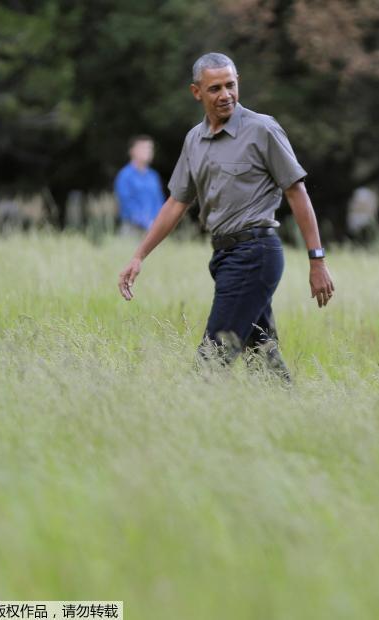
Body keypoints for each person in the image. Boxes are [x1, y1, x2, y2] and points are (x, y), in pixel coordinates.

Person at [117, 52, 335, 381]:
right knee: (262, 356)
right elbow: (177, 203)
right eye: (215, 88)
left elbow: (296, 192)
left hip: (255, 254)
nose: (225, 95)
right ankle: (288, 413)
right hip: (223, 256)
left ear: (238, 84)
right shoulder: (194, 139)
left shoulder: (262, 129)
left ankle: (185, 418)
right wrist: (139, 255)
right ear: (197, 92)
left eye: (230, 86)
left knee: (212, 359)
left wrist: (316, 260)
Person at [114, 135, 165, 234]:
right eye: (144, 148)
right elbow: (126, 202)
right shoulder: (125, 175)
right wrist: (145, 222)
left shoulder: (153, 176)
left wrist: (158, 222)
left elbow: (159, 201)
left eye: (150, 148)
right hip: (131, 229)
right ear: (132, 151)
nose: (148, 151)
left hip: (154, 229)